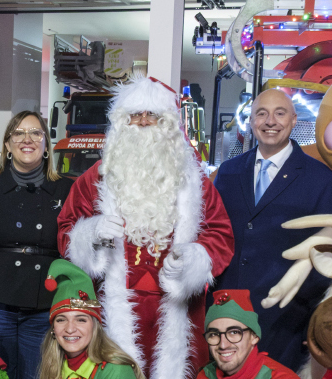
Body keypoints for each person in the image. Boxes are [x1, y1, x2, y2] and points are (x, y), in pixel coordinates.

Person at [57, 78, 234, 379]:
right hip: (111, 300)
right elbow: (66, 230)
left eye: (151, 115)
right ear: (120, 122)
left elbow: (220, 233)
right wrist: (91, 234)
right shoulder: (95, 179)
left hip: (176, 301)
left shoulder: (195, 183)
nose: (142, 122)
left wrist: (194, 258)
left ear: (166, 123)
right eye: (134, 115)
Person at [211, 89, 332, 369]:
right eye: (262, 113)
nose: (271, 121)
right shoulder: (228, 172)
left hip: (285, 317)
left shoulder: (322, 179)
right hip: (228, 309)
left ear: (294, 120)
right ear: (252, 121)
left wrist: (312, 318)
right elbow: (214, 233)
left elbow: (327, 254)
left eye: (280, 113)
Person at [0, 110, 74, 379]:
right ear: (8, 145)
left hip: (45, 302)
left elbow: (74, 251)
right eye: (19, 133)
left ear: (46, 145)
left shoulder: (66, 189)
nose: (27, 139)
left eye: (35, 133)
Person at [36, 259, 144, 379]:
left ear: (95, 326)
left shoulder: (117, 370)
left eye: (81, 320)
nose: (70, 329)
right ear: (53, 330)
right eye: (61, 320)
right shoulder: (52, 366)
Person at [194, 290, 298, 379]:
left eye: (234, 332)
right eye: (213, 334)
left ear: (254, 336)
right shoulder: (205, 375)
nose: (223, 345)